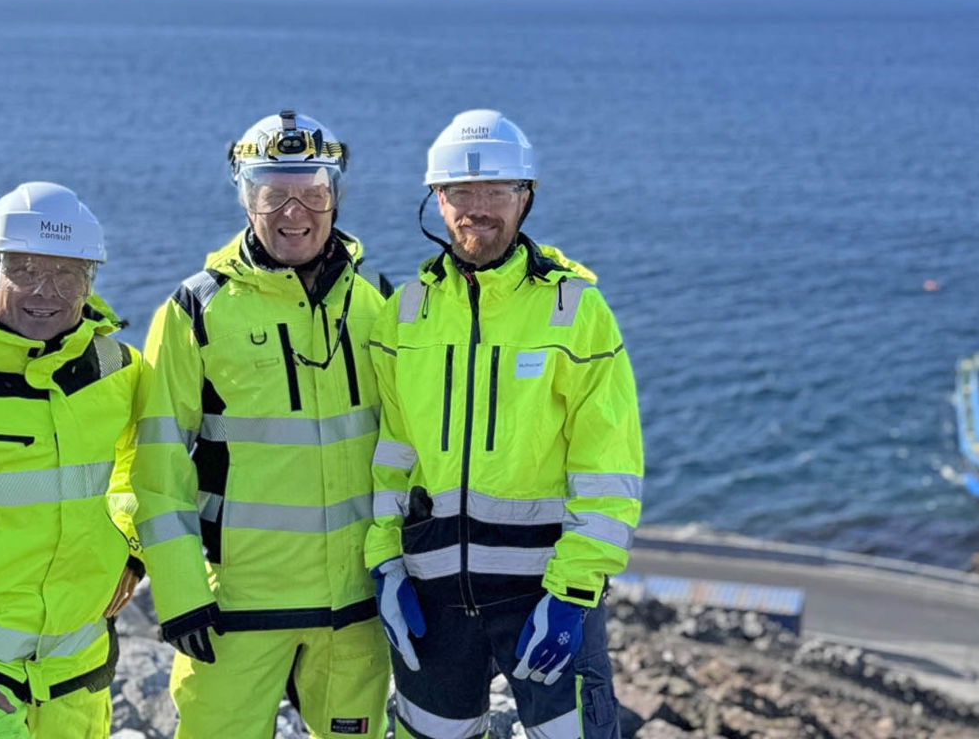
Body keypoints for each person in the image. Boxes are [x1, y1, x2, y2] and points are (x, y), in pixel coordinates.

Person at [366, 110, 643, 739]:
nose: (478, 209)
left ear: (527, 198)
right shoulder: (403, 316)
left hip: (544, 594)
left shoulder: (576, 310)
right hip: (432, 597)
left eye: (498, 191)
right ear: (437, 199)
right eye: (461, 192)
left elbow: (607, 470)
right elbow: (392, 456)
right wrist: (385, 564)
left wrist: (573, 594)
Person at [133, 111, 390, 739]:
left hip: (356, 610)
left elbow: (411, 448)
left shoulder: (377, 300)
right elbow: (153, 463)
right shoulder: (195, 311)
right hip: (234, 610)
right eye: (272, 193)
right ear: (246, 197)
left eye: (313, 192)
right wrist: (179, 593)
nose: (293, 213)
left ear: (336, 195)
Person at [0, 182, 142, 739]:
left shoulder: (120, 369)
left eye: (68, 274)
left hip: (80, 674)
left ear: (91, 281)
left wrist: (130, 547)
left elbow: (148, 468)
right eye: (25, 270)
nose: (48, 292)